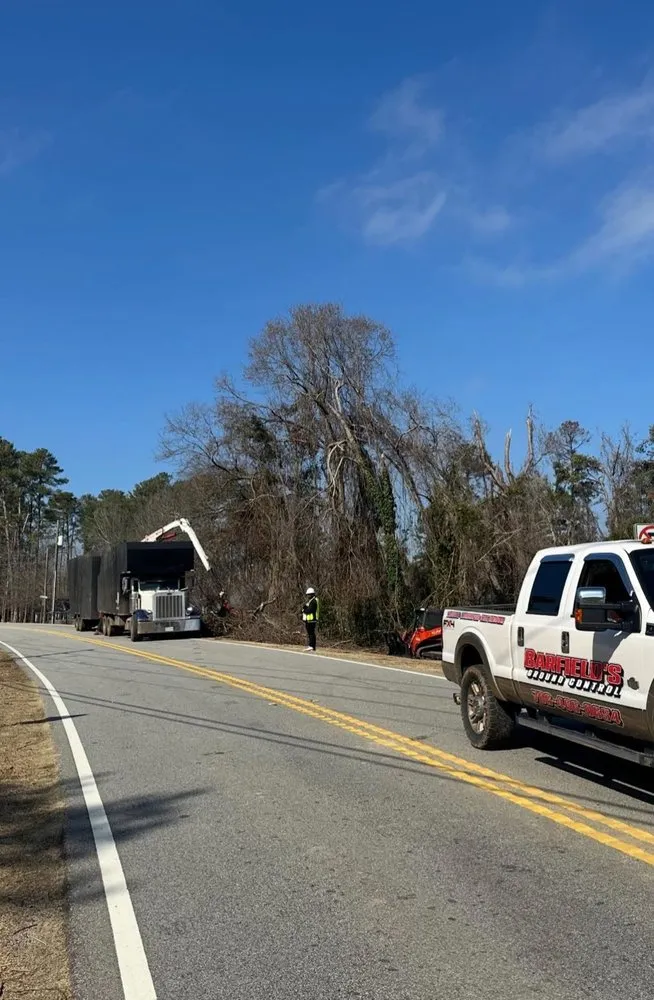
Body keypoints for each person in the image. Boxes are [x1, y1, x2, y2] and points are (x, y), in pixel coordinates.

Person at [302, 587, 319, 651]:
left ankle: (311, 645)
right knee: (311, 633)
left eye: (309, 594)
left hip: (311, 619)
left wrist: (304, 610)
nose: (308, 596)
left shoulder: (314, 601)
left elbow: (310, 610)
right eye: (308, 594)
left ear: (312, 594)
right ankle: (312, 646)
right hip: (310, 620)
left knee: (311, 633)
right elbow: (305, 607)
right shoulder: (311, 601)